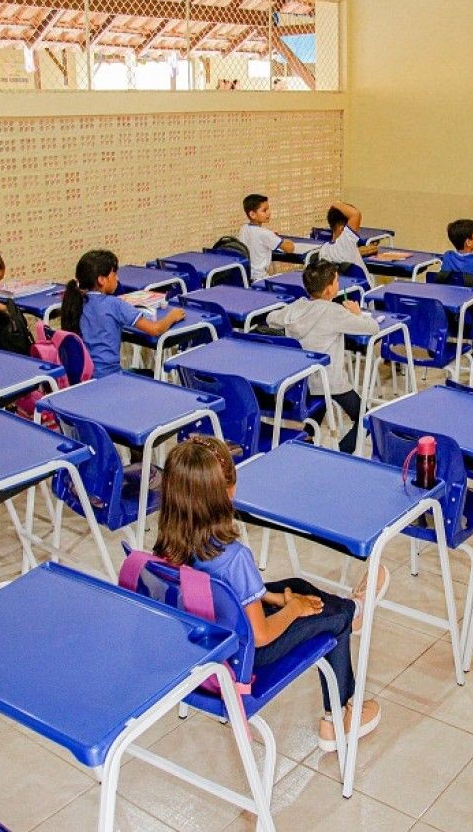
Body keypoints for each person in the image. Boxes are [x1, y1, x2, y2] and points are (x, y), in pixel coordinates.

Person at [153, 436, 388, 750]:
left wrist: (279, 599)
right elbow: (261, 636)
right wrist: (292, 610)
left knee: (298, 586)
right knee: (336, 616)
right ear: (226, 492)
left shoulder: (171, 542)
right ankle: (342, 709)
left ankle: (351, 614)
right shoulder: (234, 557)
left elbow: (222, 593)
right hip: (246, 656)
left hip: (210, 636)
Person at [264, 260, 380, 453]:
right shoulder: (334, 312)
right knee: (366, 418)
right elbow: (372, 328)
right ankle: (341, 452)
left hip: (301, 382)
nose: (339, 284)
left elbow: (270, 319)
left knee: (319, 405)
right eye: (336, 281)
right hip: (331, 383)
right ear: (328, 290)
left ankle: (309, 441)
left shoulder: (296, 307)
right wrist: (357, 313)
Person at [59, 249, 184, 378]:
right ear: (102, 279)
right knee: (149, 375)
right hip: (110, 377)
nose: (117, 278)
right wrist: (172, 317)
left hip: (84, 376)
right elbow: (155, 329)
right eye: (114, 273)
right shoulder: (114, 304)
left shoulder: (76, 302)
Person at [315, 200, 377, 286]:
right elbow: (355, 214)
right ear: (342, 228)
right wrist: (335, 204)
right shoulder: (345, 243)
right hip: (363, 296)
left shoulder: (323, 251)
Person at [237, 194, 294, 282]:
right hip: (260, 279)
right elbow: (290, 248)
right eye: (264, 210)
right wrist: (277, 238)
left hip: (246, 278)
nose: (269, 213)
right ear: (252, 214)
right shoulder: (265, 234)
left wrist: (272, 237)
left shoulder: (243, 229)